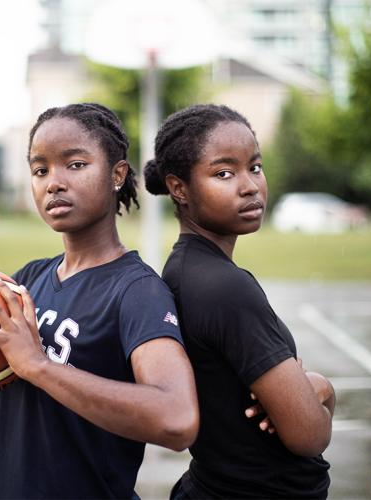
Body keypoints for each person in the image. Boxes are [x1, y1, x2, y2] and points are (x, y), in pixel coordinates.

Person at [0, 103, 199, 499]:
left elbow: (177, 418)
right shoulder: (26, 280)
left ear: (117, 174)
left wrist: (38, 365)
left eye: (75, 164)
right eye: (41, 170)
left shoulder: (136, 291)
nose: (53, 182)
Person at [144, 104, 335, 499]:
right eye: (224, 173)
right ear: (179, 188)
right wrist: (321, 387)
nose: (250, 185)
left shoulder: (183, 269)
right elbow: (310, 435)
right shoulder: (226, 288)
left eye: (256, 166)